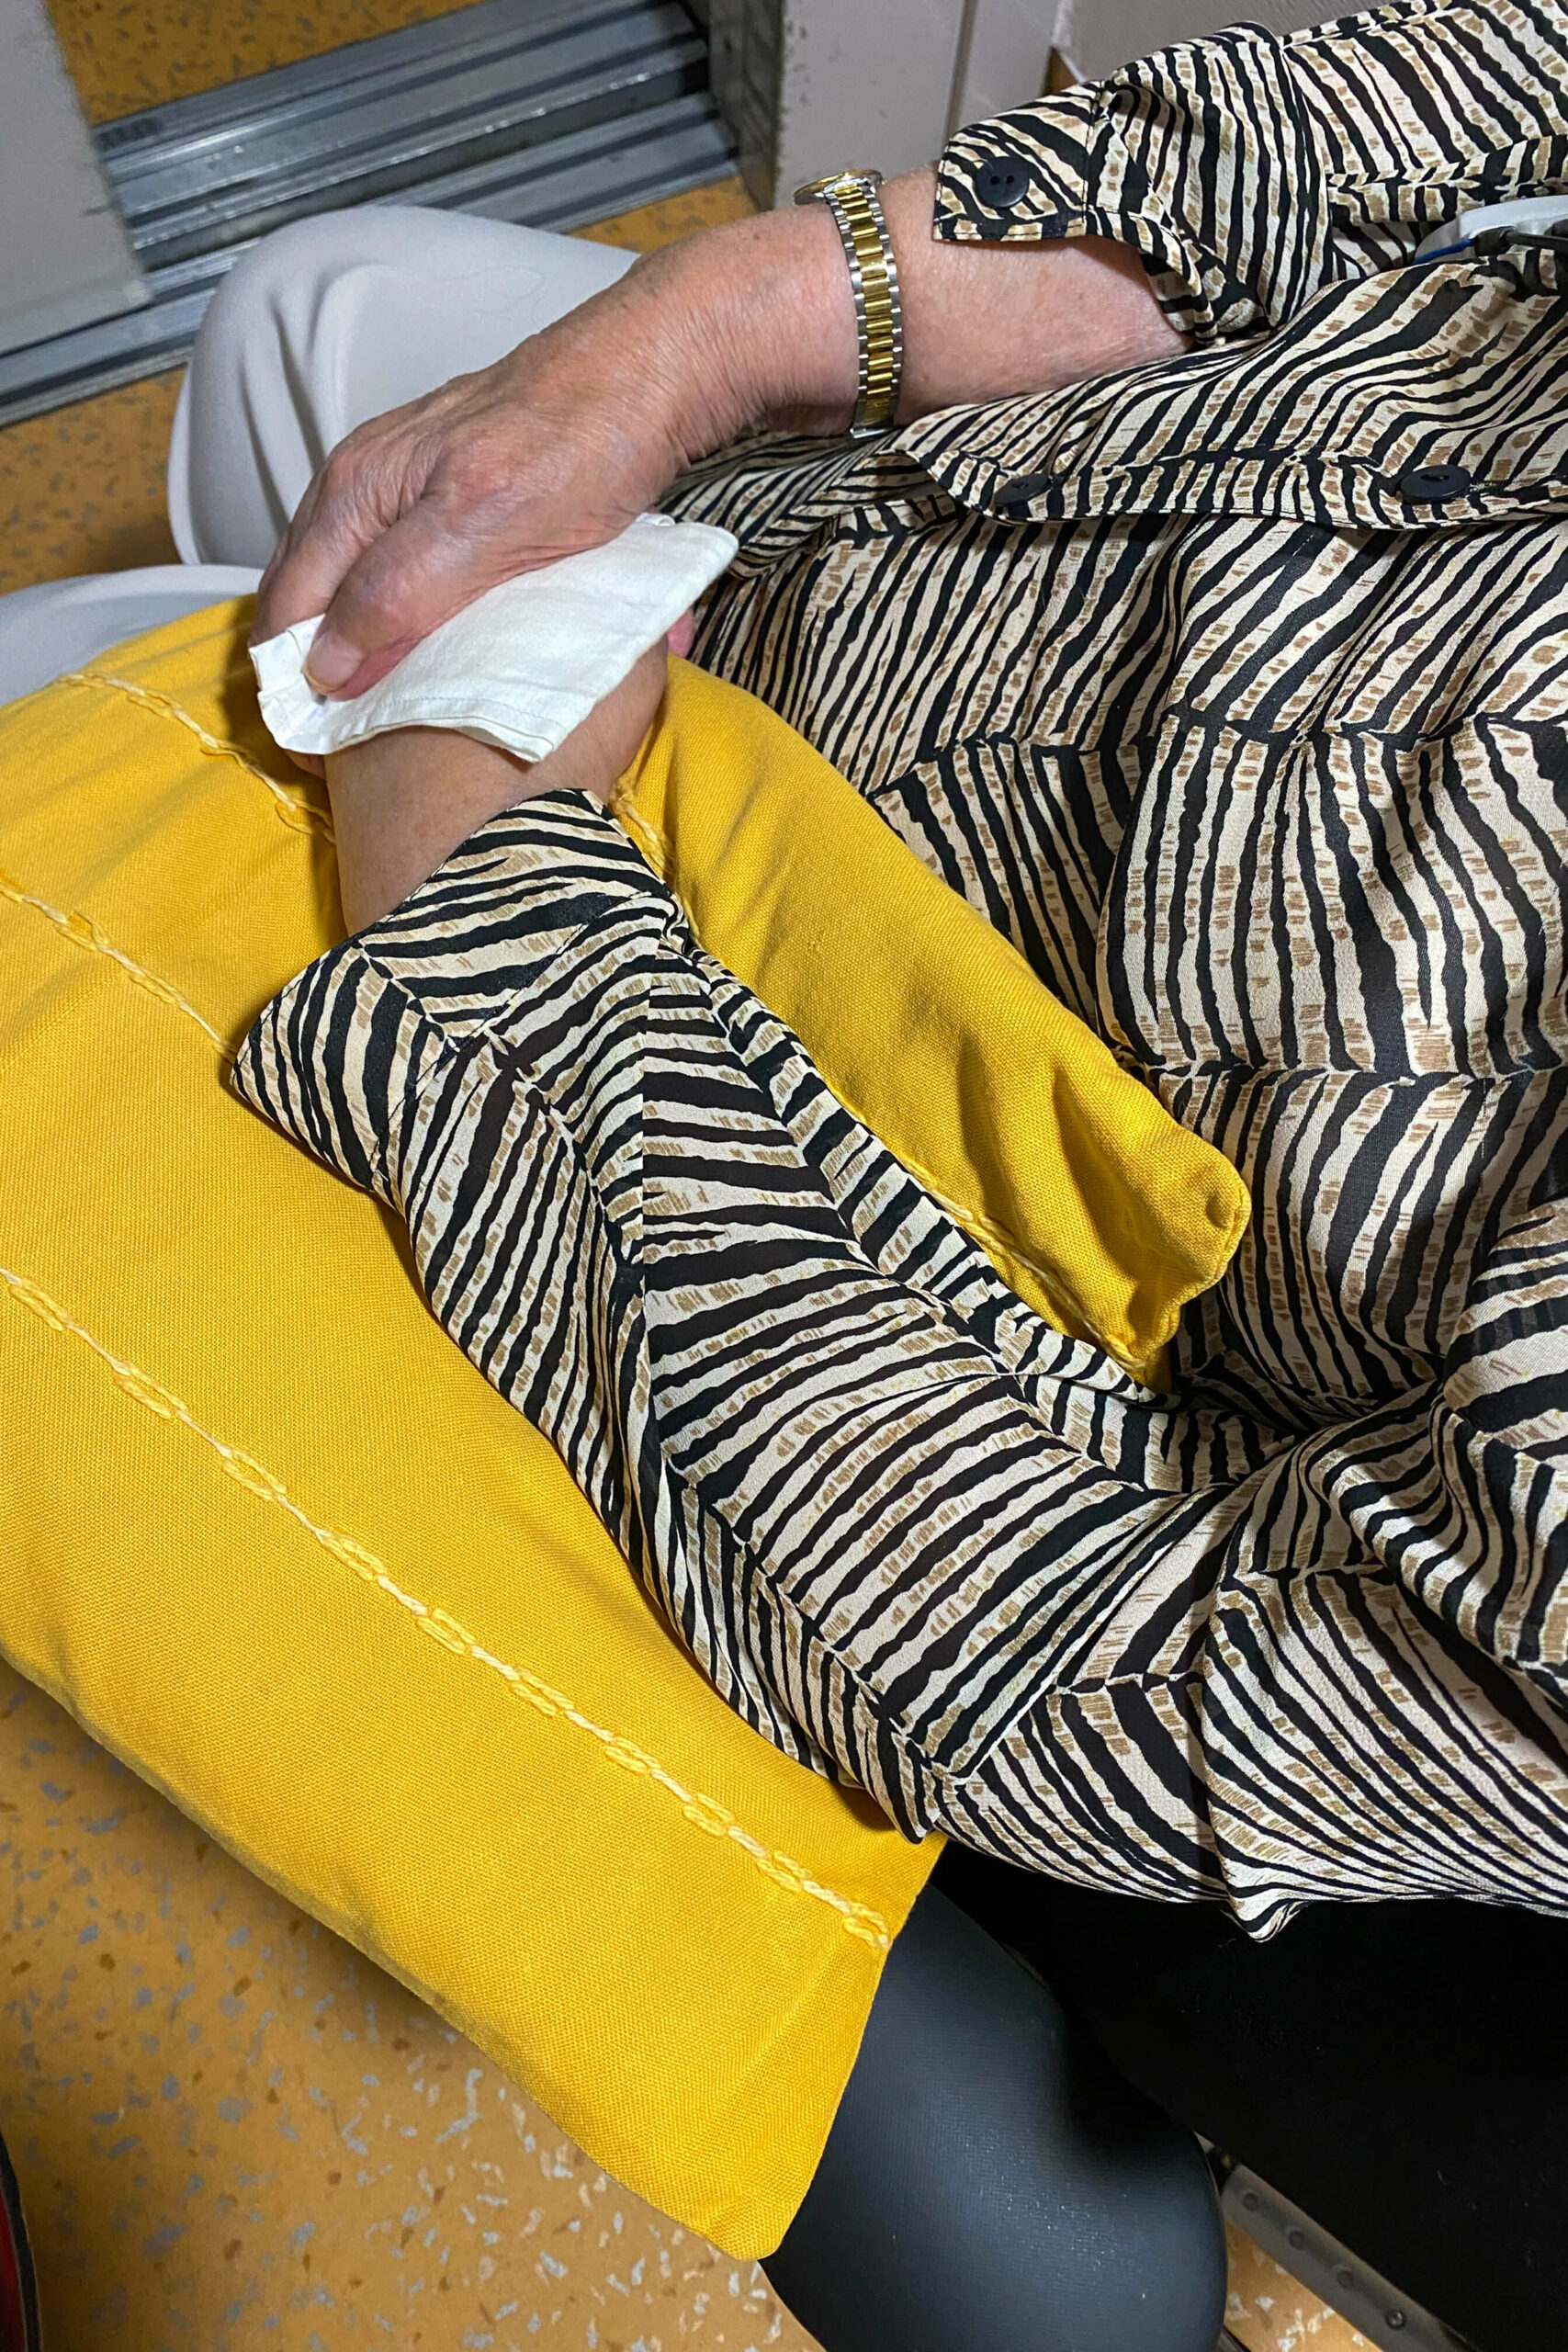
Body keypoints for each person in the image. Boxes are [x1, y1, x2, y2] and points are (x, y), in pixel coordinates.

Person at [2, 1, 1565, 2342]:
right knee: (304, 317)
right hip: (922, 519)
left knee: (85, 707)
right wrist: (711, 326)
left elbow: (1061, 1644)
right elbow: (1476, 91)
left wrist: (472, 842)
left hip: (763, 1103)